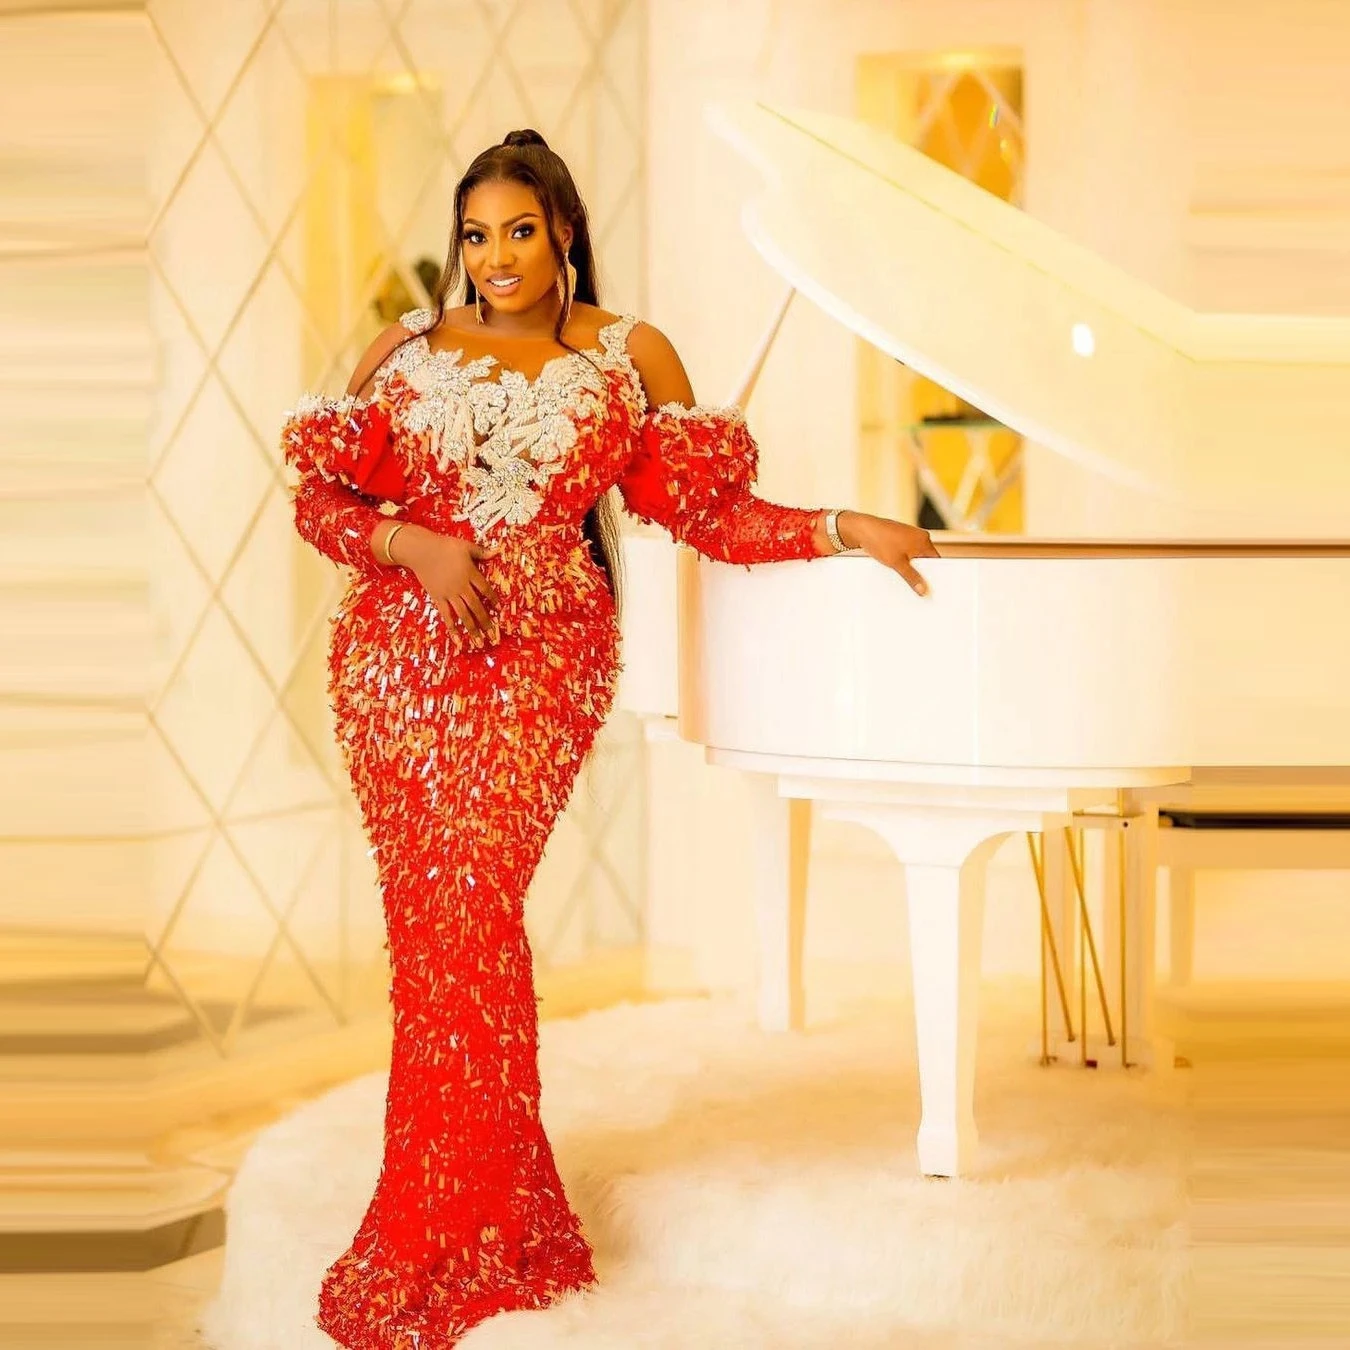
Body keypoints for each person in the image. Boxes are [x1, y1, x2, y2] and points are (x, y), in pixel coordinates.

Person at [280, 128, 938, 1349]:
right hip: (397, 663)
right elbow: (321, 500)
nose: (496, 257)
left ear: (565, 233)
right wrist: (416, 547)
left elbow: (713, 515)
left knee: (473, 907)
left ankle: (461, 1226)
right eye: (476, 235)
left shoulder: (631, 355)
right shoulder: (406, 349)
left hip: (544, 663)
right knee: (437, 934)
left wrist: (845, 528)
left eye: (520, 231)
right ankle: (481, 1218)